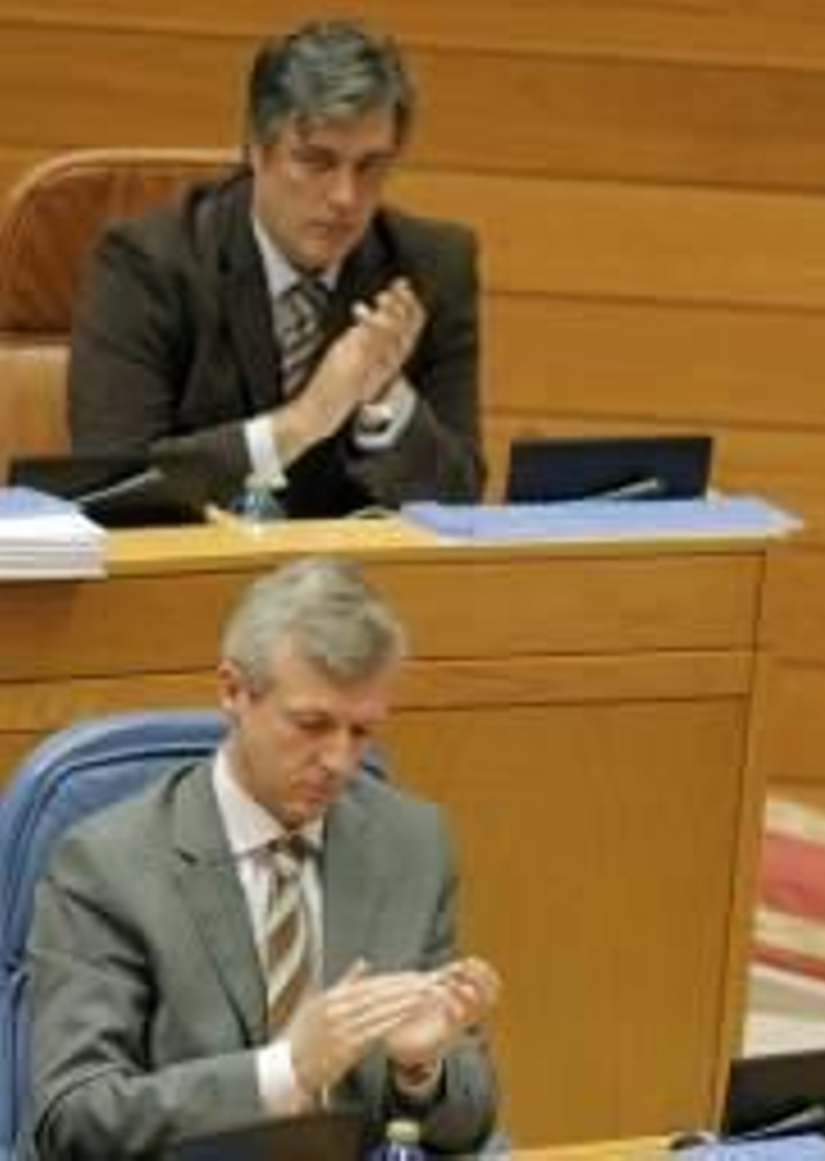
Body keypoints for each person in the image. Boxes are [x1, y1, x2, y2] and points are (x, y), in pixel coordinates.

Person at [26, 557, 500, 1158]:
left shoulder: (411, 842)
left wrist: (418, 1071)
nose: (339, 762)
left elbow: (471, 1124)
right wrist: (284, 1072)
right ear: (232, 691)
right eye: (312, 724)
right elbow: (75, 1121)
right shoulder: (107, 867)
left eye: (361, 732)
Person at [67, 19, 485, 518]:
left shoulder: (429, 269)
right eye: (316, 161)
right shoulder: (149, 266)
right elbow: (113, 491)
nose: (345, 197)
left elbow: (461, 503)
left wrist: (384, 397)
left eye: (370, 166)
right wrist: (305, 421)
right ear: (255, 150)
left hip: (358, 586)